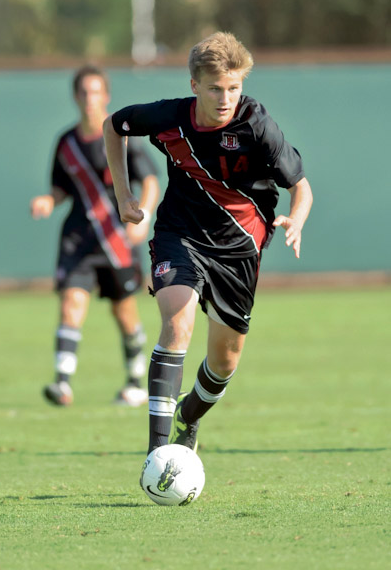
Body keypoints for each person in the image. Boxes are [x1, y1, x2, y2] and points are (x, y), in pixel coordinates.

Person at [103, 32, 313, 454]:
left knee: (224, 362)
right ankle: (158, 454)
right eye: (215, 87)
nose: (225, 97)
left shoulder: (257, 125)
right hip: (179, 234)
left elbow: (301, 187)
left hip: (239, 249)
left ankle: (188, 416)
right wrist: (123, 196)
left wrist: (298, 219)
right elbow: (115, 126)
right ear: (194, 84)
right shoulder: (169, 118)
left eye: (234, 88)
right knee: (177, 323)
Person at [30, 65, 160, 407]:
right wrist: (48, 199)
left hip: (116, 240)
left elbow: (149, 181)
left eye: (96, 91)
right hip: (78, 239)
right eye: (84, 93)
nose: (90, 99)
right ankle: (62, 383)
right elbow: (60, 188)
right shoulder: (66, 143)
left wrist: (143, 216)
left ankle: (135, 381)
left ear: (107, 95)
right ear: (76, 97)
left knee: (124, 312)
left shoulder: (120, 136)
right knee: (71, 304)